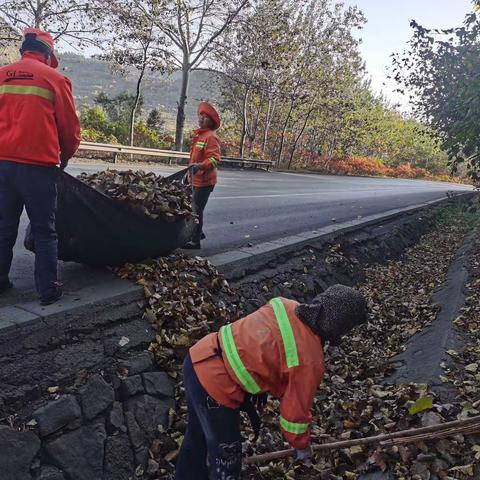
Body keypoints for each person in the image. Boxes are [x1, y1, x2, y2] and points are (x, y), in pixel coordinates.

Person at [175, 284, 368, 479]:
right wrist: (301, 446)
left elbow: (260, 344)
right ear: (341, 324)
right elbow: (294, 417)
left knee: (196, 439)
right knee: (227, 458)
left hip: (197, 359)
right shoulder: (309, 360)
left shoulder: (284, 305)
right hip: (215, 386)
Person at [0, 28, 81, 305]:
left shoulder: (2, 75)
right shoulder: (55, 79)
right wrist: (66, 155)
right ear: (47, 54)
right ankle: (47, 290)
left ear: (25, 50)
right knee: (45, 230)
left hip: (3, 165)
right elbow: (69, 128)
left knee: (3, 226)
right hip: (38, 168)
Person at [183, 102, 221, 250]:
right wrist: (188, 174)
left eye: (205, 118)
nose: (201, 119)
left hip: (205, 181)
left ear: (211, 122)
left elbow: (214, 159)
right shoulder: (199, 136)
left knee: (196, 210)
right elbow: (193, 159)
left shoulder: (211, 137)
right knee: (190, 207)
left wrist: (200, 167)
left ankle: (195, 241)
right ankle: (199, 232)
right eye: (201, 116)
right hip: (194, 179)